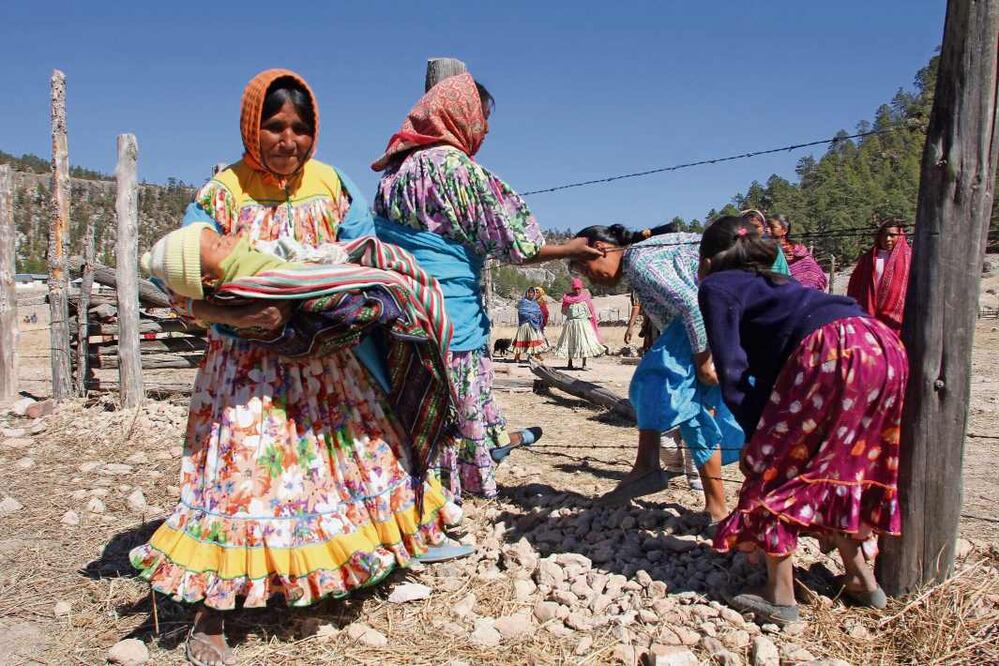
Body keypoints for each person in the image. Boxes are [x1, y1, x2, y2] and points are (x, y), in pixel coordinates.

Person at [129, 70, 463, 666]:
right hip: (247, 367)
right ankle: (212, 611)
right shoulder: (221, 195)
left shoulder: (333, 185)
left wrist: (335, 297)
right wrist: (238, 315)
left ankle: (371, 555)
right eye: (275, 126)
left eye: (301, 128)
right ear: (251, 127)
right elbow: (180, 285)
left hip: (325, 362)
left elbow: (361, 260)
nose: (289, 140)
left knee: (351, 460)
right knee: (240, 479)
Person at [371, 71, 601, 499]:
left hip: (400, 310)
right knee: (459, 394)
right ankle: (456, 483)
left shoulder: (393, 173)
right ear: (461, 115)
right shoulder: (461, 171)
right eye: (483, 117)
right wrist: (569, 248)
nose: (487, 129)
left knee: (414, 396)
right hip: (450, 314)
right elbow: (519, 244)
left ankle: (415, 482)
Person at [698, 216, 906, 625]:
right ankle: (862, 580)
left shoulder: (717, 286)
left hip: (830, 348)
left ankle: (780, 595)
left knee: (774, 467)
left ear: (706, 262)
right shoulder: (778, 283)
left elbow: (732, 368)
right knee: (841, 465)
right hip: (880, 344)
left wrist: (756, 430)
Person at [568, 225, 744, 515]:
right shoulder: (642, 258)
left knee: (653, 381)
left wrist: (702, 361)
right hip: (721, 313)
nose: (591, 278)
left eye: (587, 268)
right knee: (695, 409)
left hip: (713, 312)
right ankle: (716, 506)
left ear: (602, 249)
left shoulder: (640, 261)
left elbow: (692, 306)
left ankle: (648, 466)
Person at [846, 219, 911, 332]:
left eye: (892, 235)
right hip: (868, 310)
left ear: (900, 236)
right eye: (884, 235)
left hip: (897, 316)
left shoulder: (908, 258)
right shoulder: (868, 259)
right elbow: (855, 285)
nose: (887, 239)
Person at [552, 277, 605, 370]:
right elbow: (563, 311)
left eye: (578, 288)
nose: (577, 290)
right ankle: (570, 363)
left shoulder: (585, 299)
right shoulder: (567, 299)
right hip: (571, 324)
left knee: (583, 342)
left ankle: (584, 364)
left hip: (583, 324)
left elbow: (590, 312)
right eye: (575, 288)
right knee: (570, 342)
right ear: (572, 288)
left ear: (581, 288)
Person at [767, 214, 828, 291]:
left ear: (784, 230)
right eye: (766, 227)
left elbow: (813, 275)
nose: (767, 230)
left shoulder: (799, 254)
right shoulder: (763, 250)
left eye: (772, 227)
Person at [742, 209, 790, 275]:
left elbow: (785, 274)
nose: (752, 230)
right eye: (748, 226)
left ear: (763, 227)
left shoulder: (773, 249)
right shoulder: (738, 250)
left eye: (756, 227)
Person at [512, 287, 547, 362]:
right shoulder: (523, 302)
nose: (531, 294)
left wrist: (536, 317)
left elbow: (539, 313)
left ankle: (536, 354)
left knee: (534, 339)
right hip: (525, 324)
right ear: (526, 293)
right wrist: (530, 315)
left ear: (534, 294)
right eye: (529, 292)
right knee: (521, 339)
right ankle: (517, 356)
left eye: (532, 292)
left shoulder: (535, 304)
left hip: (533, 324)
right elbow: (521, 312)